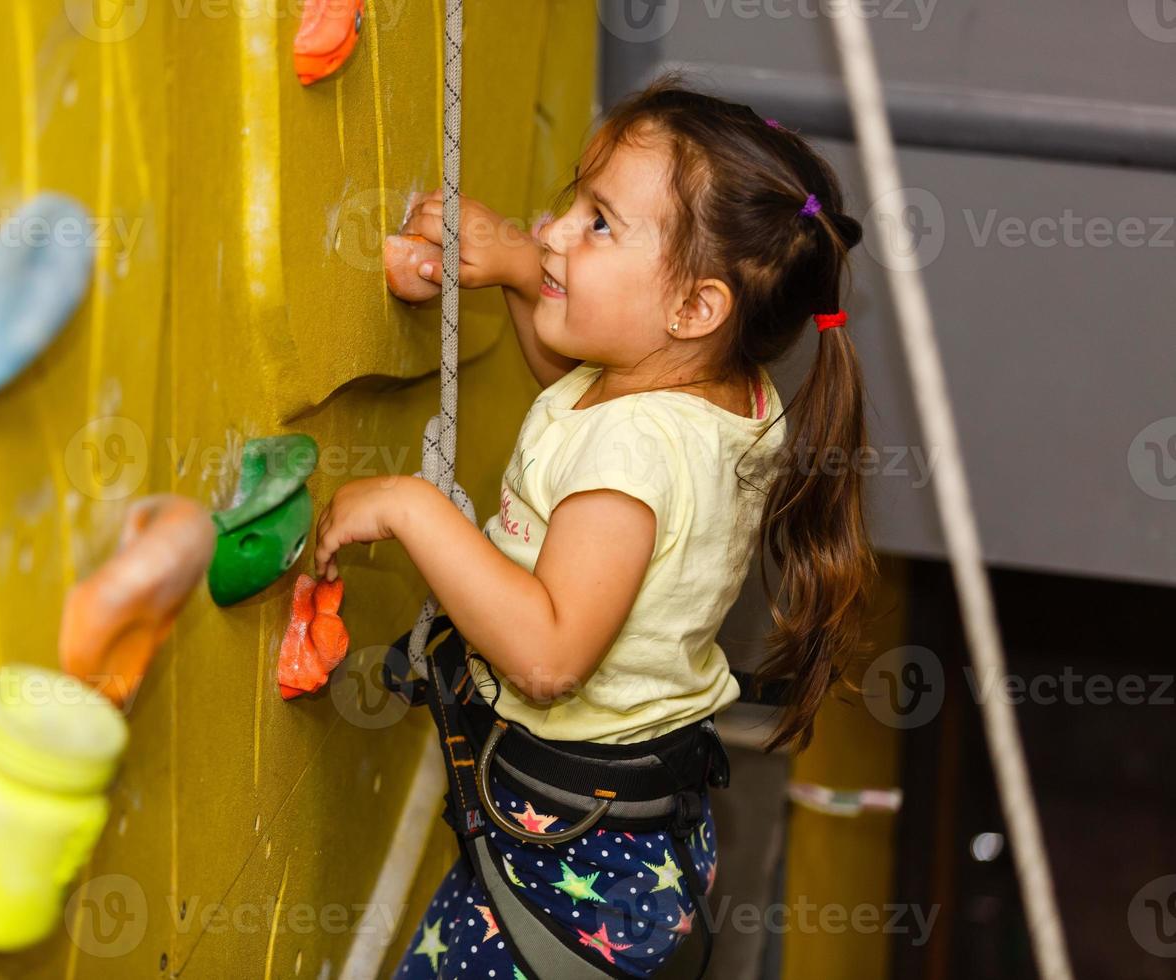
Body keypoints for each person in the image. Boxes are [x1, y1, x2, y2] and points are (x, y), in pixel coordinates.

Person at [312, 70, 877, 979]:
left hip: (570, 869)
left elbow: (548, 655)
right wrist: (513, 269)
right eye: (575, 201)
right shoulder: (711, 387)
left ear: (696, 307)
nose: (557, 230)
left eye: (599, 222)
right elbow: (574, 404)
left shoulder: (638, 459)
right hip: (618, 832)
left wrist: (412, 508)